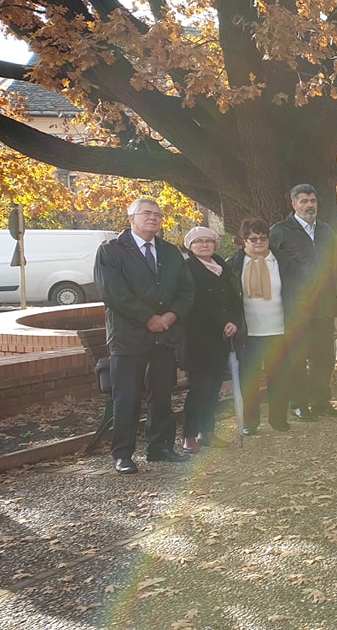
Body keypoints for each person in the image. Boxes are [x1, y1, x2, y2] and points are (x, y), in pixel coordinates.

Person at [94, 197, 195, 473]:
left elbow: (186, 290)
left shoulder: (169, 252)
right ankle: (123, 454)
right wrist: (148, 318)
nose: (153, 218)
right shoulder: (111, 251)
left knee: (161, 395)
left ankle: (160, 447)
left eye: (158, 215)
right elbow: (113, 292)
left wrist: (170, 316)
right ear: (131, 218)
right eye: (147, 213)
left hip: (164, 336)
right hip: (128, 338)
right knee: (127, 398)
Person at [270, 184, 337, 420]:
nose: (309, 205)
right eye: (303, 201)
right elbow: (273, 267)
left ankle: (321, 402)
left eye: (312, 201)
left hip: (324, 305)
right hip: (296, 307)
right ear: (293, 204)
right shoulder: (280, 232)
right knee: (297, 359)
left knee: (324, 357)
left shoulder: (326, 231)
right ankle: (299, 404)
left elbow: (334, 265)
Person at [179, 227, 242, 452]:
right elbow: (193, 303)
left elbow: (234, 299)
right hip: (197, 338)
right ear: (190, 246)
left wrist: (233, 321)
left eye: (208, 241)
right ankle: (189, 435)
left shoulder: (223, 268)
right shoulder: (187, 269)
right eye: (198, 242)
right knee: (199, 388)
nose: (204, 245)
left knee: (214, 387)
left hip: (221, 338)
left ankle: (207, 432)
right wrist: (221, 321)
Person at [226, 218, 291, 433]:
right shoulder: (234, 265)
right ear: (243, 240)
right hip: (248, 332)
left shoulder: (282, 261)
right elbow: (229, 299)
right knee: (249, 379)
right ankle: (250, 422)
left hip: (279, 329)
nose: (259, 242)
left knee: (279, 377)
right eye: (253, 238)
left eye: (263, 238)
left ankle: (279, 419)